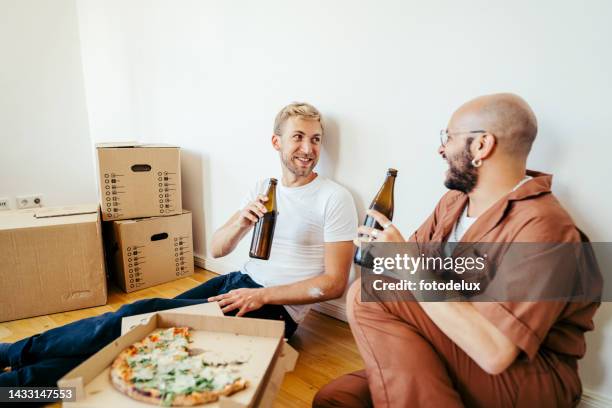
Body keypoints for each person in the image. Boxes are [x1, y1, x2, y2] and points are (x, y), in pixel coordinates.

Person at [0, 102, 357, 387]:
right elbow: (217, 250)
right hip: (236, 284)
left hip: (274, 309)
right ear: (276, 142)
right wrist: (241, 221)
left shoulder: (333, 198)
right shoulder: (265, 187)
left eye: (315, 139)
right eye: (298, 137)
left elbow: (334, 283)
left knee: (136, 319)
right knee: (134, 330)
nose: (308, 148)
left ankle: (16, 361)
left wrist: (262, 296)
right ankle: (18, 384)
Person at [313, 93, 601, 407]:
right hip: (450, 342)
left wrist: (407, 265)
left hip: (524, 376)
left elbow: (496, 352)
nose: (441, 148)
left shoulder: (545, 227)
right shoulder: (454, 202)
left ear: (481, 146)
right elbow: (406, 282)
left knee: (367, 295)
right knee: (336, 400)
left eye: (448, 137)